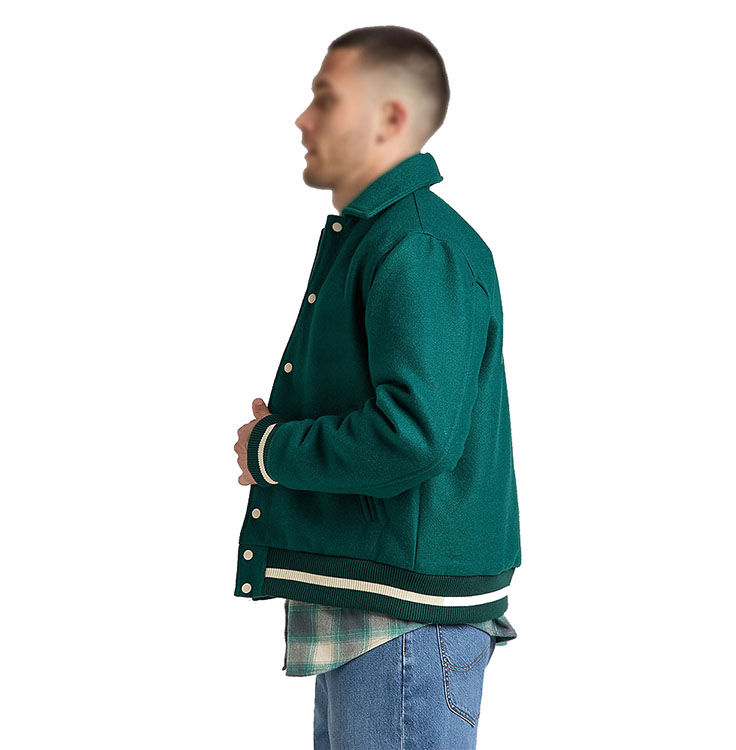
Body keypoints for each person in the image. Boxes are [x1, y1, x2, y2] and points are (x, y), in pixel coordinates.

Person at [234, 25, 522, 750]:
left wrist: (273, 450)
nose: (303, 120)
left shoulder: (415, 244)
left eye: (325, 100)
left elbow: (413, 435)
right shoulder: (385, 237)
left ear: (391, 117)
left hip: (403, 626)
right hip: (383, 613)